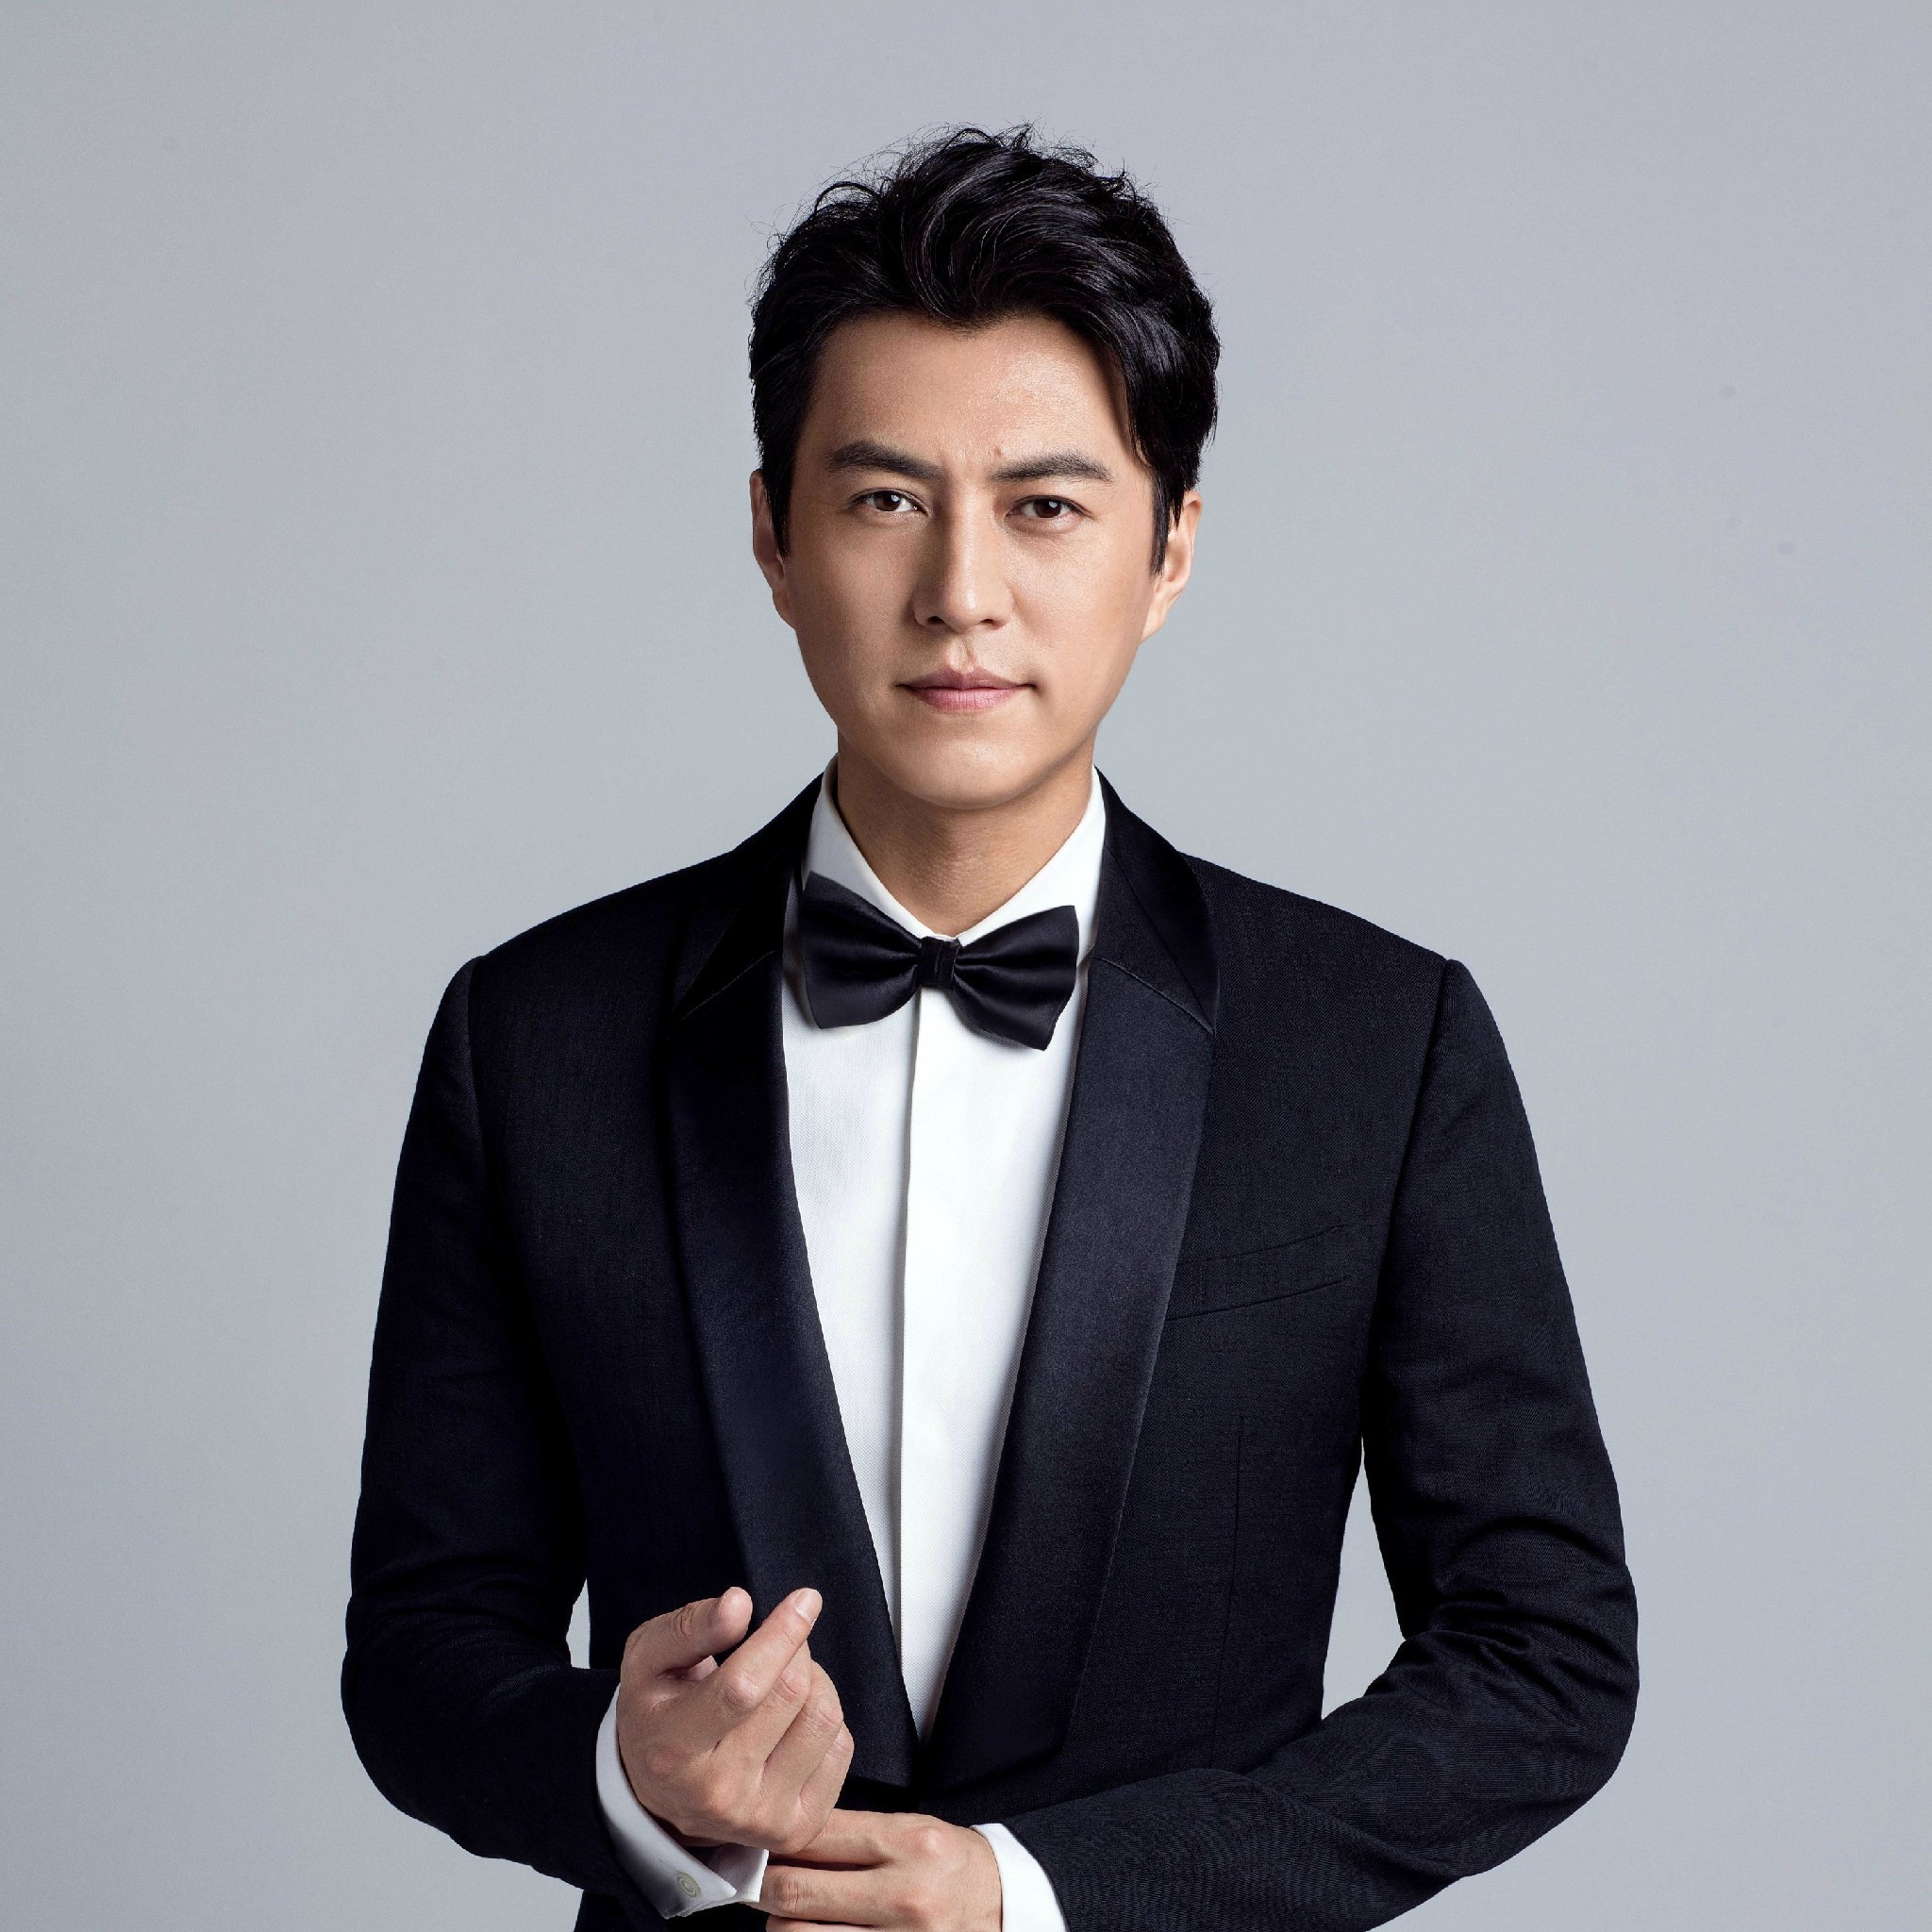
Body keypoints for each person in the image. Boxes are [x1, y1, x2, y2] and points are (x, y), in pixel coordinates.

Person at [342, 125, 1638, 1932]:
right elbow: (422, 1648)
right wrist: (628, 1779)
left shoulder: (1378, 1046)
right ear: (772, 536)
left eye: (1045, 507)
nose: (962, 591)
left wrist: (1043, 1895)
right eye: (886, 500)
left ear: (1170, 548)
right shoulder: (535, 1037)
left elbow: (1542, 1659)